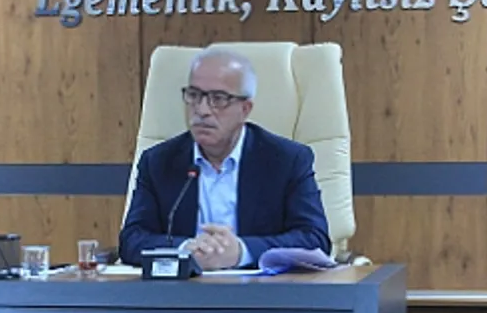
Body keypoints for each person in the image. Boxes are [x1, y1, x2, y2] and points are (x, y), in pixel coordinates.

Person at [119, 48, 332, 270]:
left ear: (245, 109)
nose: (202, 110)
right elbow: (132, 240)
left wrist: (241, 252)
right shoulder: (158, 162)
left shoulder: (287, 160)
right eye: (194, 95)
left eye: (218, 99)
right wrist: (185, 250)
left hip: (261, 289)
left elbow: (314, 239)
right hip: (182, 288)